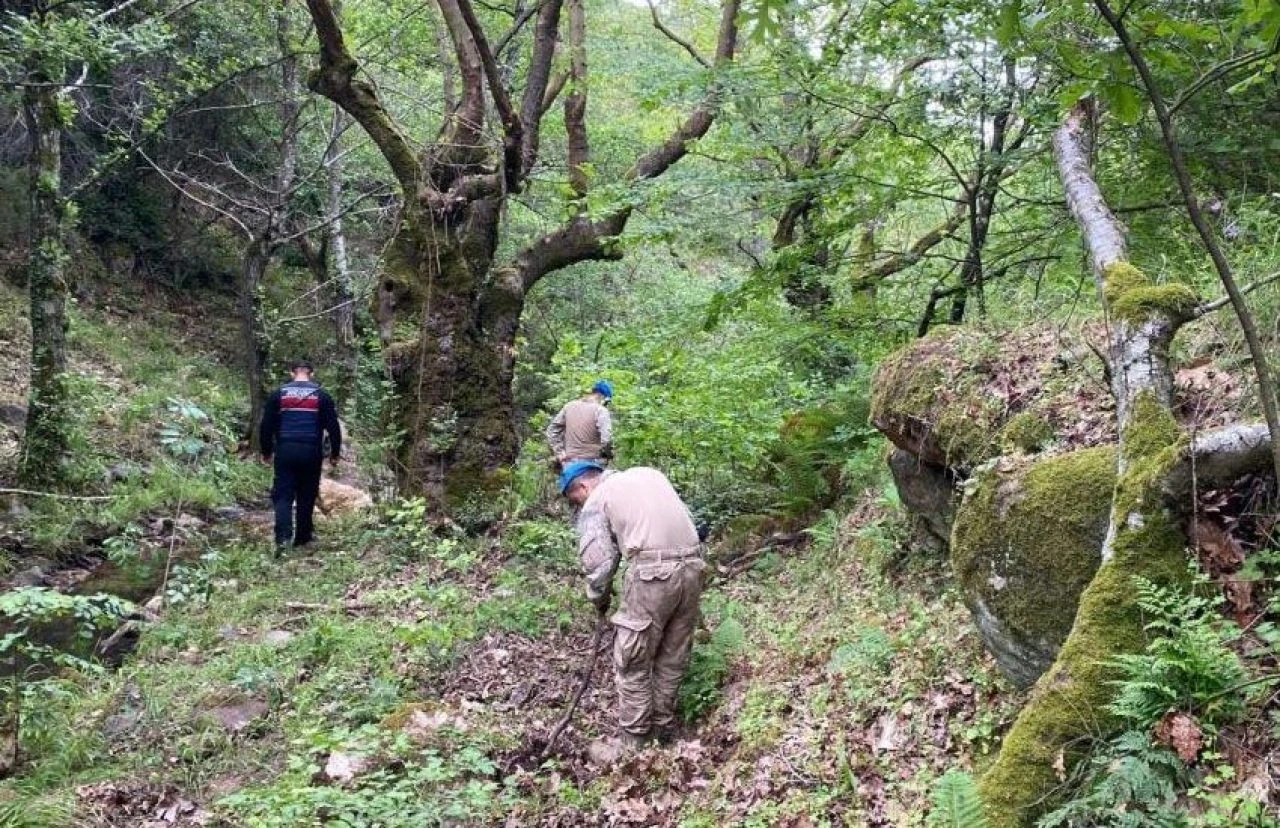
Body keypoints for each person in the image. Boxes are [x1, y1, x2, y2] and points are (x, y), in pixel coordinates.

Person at [559, 460, 705, 748]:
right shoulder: (651, 474)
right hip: (694, 566)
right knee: (672, 656)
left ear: (583, 486)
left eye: (575, 500)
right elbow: (690, 522)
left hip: (652, 574)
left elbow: (598, 562)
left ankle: (635, 745)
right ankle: (662, 733)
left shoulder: (598, 498)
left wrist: (598, 598)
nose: (579, 506)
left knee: (632, 660)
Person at [259, 359, 341, 554]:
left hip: (285, 450)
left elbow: (266, 426)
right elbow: (333, 428)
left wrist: (266, 451)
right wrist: (335, 454)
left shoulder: (278, 394)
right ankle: (303, 537)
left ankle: (282, 540)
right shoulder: (321, 395)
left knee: (283, 495)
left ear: (291, 373)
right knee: (307, 493)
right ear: (311, 373)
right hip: (311, 451)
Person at [546, 380, 614, 470]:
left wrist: (559, 452)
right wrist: (608, 454)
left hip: (569, 462)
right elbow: (606, 439)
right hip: (593, 462)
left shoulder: (569, 406)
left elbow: (552, 430)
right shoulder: (601, 411)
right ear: (602, 397)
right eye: (607, 402)